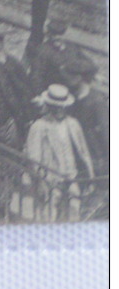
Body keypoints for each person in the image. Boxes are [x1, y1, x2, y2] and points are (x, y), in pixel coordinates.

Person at [24, 84, 94, 221]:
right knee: (50, 214)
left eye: (62, 106)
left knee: (74, 209)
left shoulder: (73, 124)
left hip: (71, 175)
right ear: (49, 106)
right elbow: (34, 157)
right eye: (56, 106)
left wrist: (90, 175)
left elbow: (83, 150)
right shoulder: (39, 126)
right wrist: (40, 181)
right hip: (51, 178)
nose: (59, 110)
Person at [29, 20, 97, 91]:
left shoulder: (71, 47)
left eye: (60, 35)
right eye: (53, 35)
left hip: (76, 87)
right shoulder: (42, 51)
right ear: (48, 35)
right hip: (55, 90)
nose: (57, 37)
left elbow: (91, 65)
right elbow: (36, 76)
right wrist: (40, 94)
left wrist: (70, 66)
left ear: (65, 35)